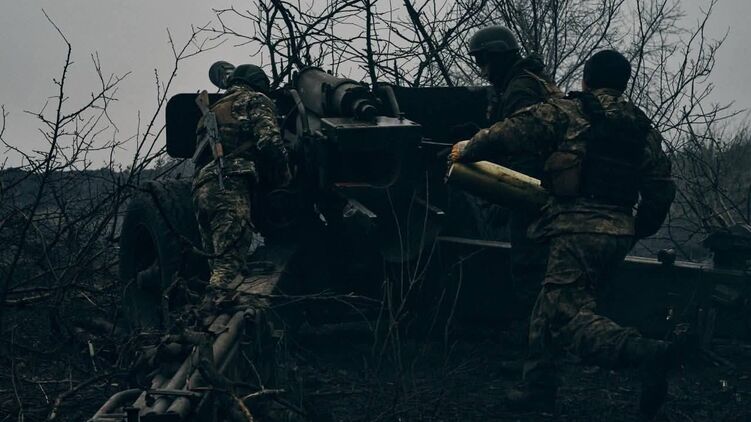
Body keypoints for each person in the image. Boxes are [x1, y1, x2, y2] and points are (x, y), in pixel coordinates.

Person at [450, 50, 681, 418]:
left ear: (586, 80)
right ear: (624, 83)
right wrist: (636, 229)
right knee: (548, 305)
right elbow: (661, 190)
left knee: (566, 320)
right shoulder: (643, 129)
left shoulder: (571, 111)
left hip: (575, 231)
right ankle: (537, 389)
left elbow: (512, 131)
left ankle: (642, 352)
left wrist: (467, 148)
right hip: (618, 234)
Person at [467, 25, 562, 315]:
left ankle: (536, 337)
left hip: (534, 195)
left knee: (529, 270)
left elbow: (527, 149)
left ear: (497, 56)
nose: (482, 70)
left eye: (483, 60)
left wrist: (507, 197)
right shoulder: (531, 81)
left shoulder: (521, 88)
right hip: (548, 191)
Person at [192, 64, 290, 289]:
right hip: (229, 184)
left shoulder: (213, 110)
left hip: (202, 190)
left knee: (218, 267)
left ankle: (210, 303)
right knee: (229, 270)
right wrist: (285, 173)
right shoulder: (254, 99)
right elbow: (269, 142)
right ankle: (218, 307)